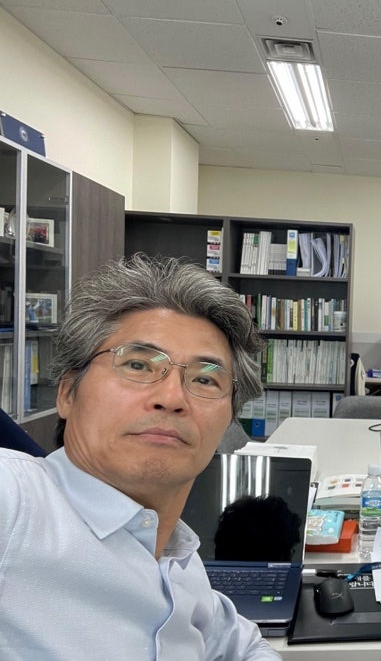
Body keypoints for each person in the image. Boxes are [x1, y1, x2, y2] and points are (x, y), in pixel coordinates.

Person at [0, 254, 280, 659]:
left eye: (205, 379)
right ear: (66, 393)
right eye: (137, 365)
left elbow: (243, 645)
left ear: (228, 423)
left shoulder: (179, 559)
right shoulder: (15, 502)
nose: (172, 397)